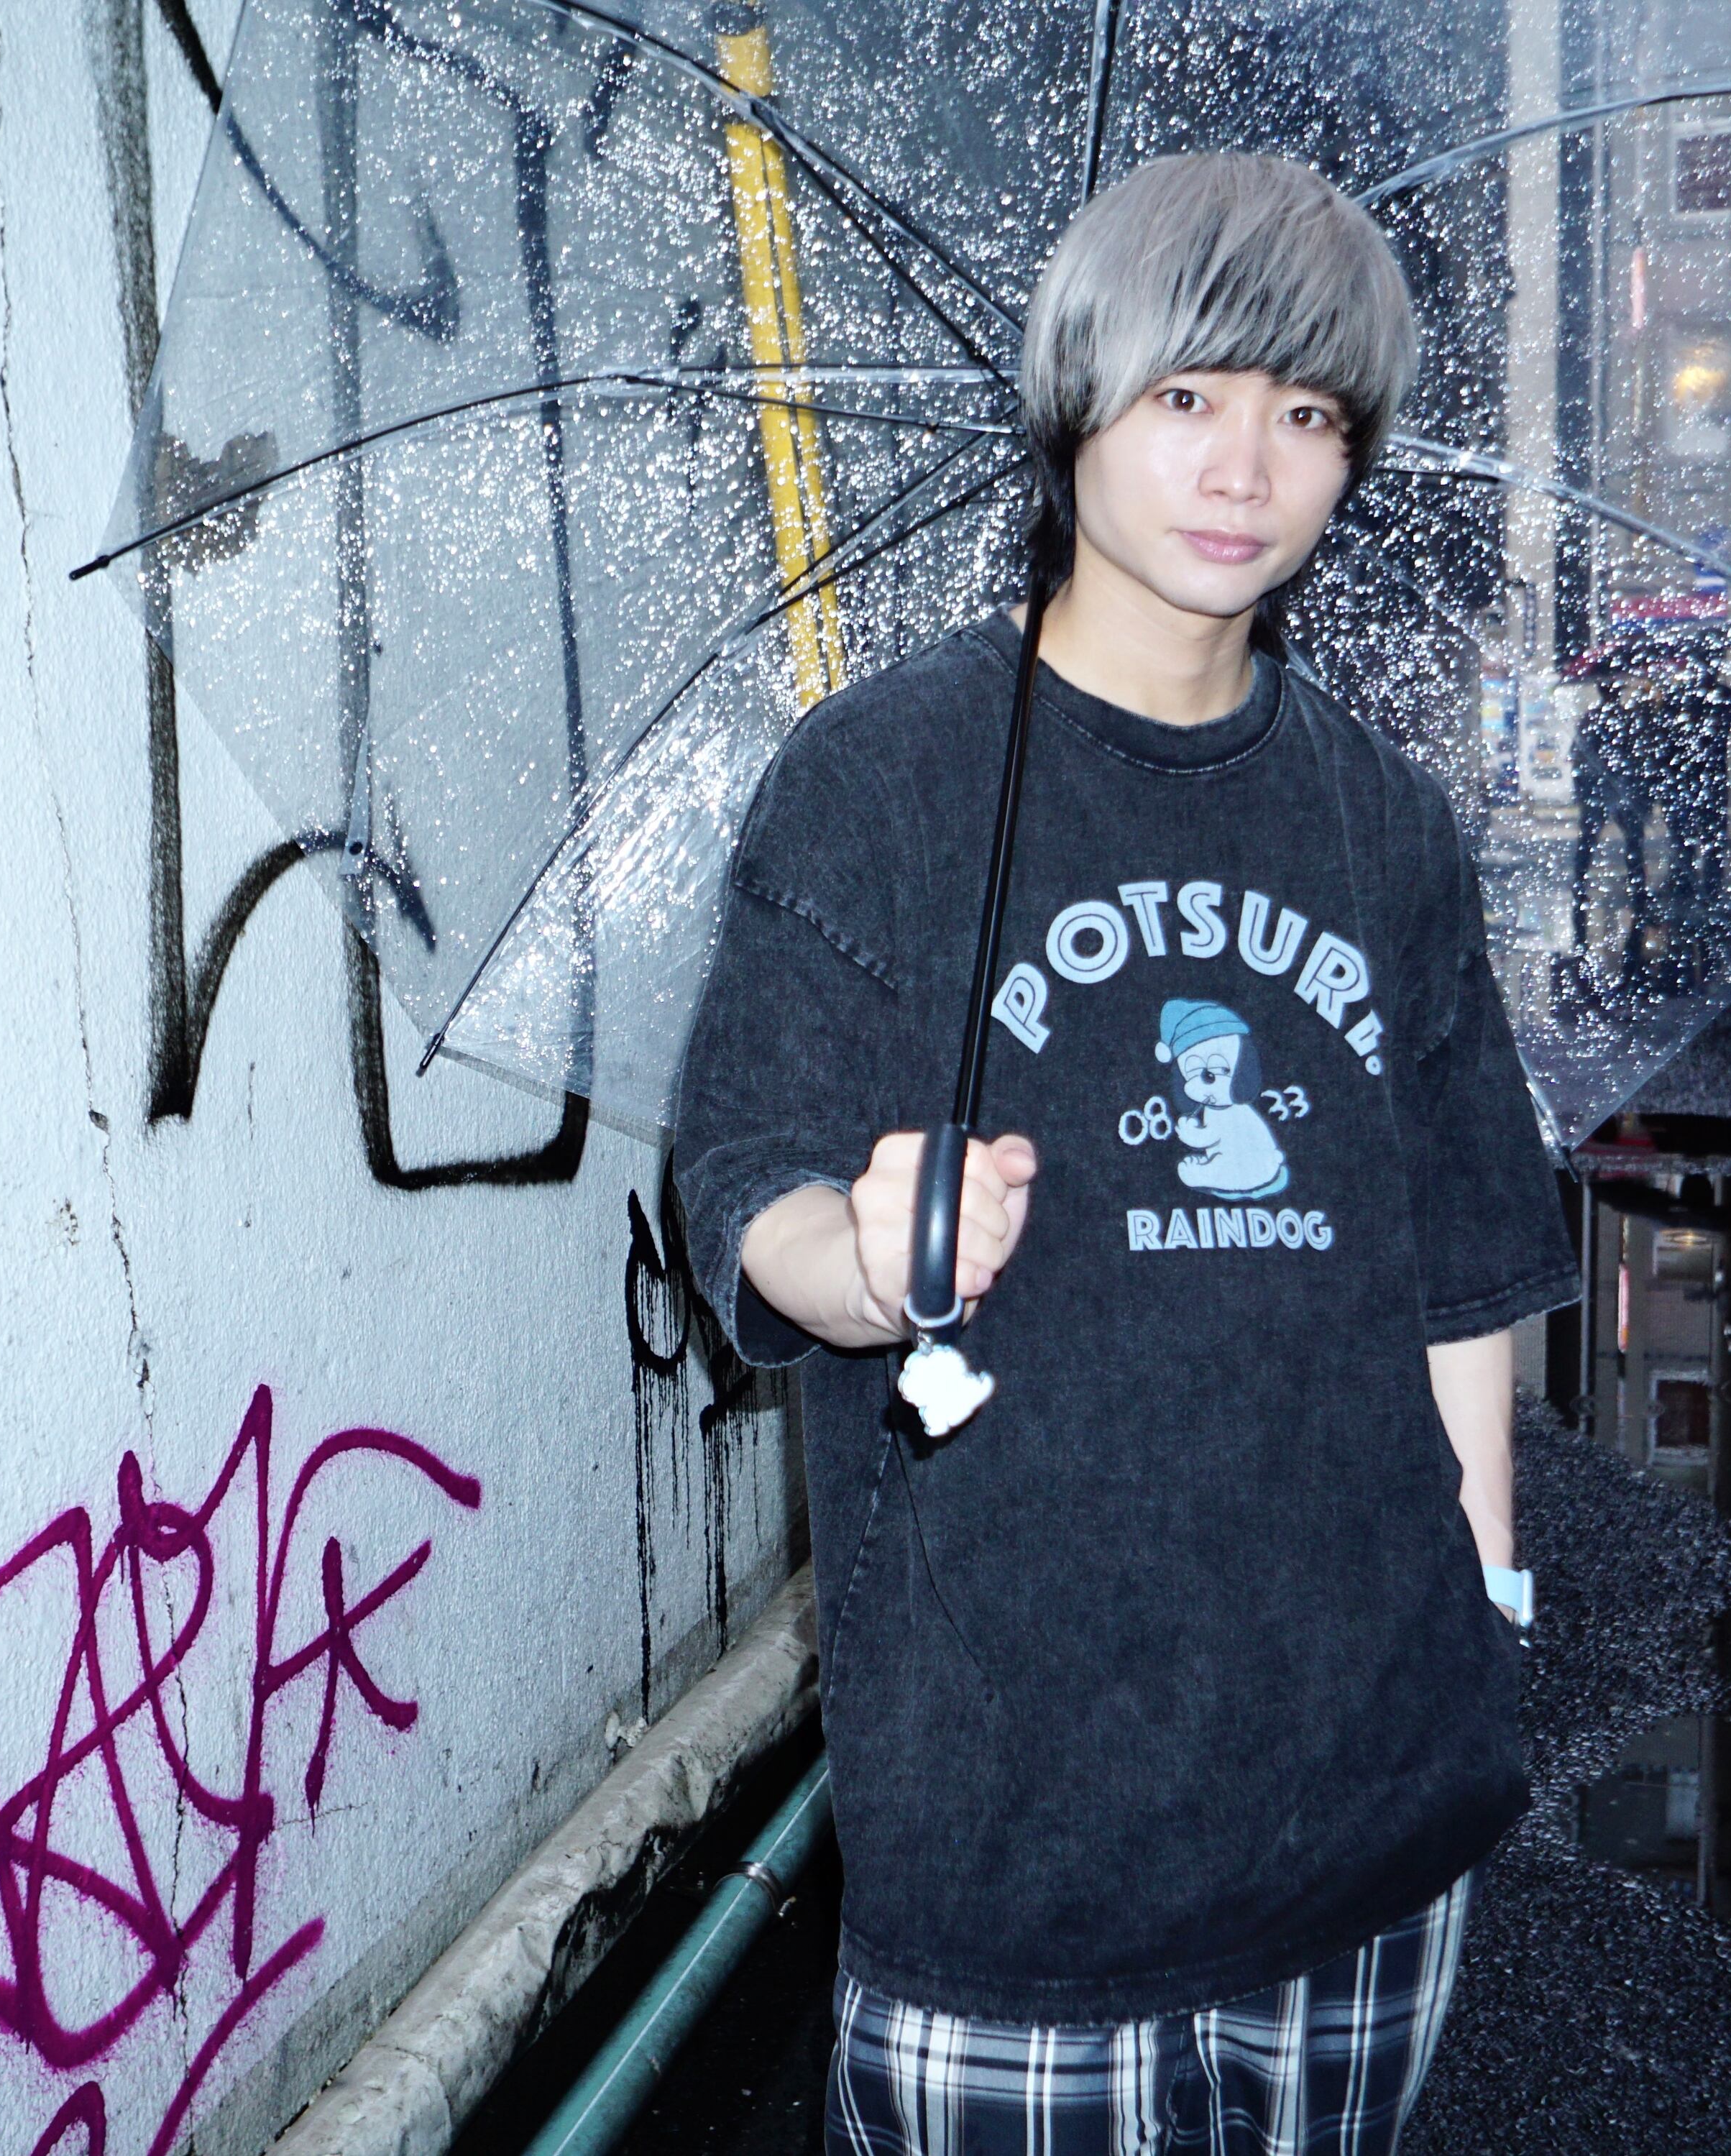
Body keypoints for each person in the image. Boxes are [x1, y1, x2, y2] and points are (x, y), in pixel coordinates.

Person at [671, 152, 1576, 2155]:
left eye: (1307, 412)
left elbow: (1463, 1275)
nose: (1246, 466)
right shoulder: (883, 787)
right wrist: (870, 1255)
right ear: (1078, 400)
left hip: (1372, 1813)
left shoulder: (1387, 826)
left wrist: (1492, 1611)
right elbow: (746, 1190)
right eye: (1188, 396)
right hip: (1018, 1846)